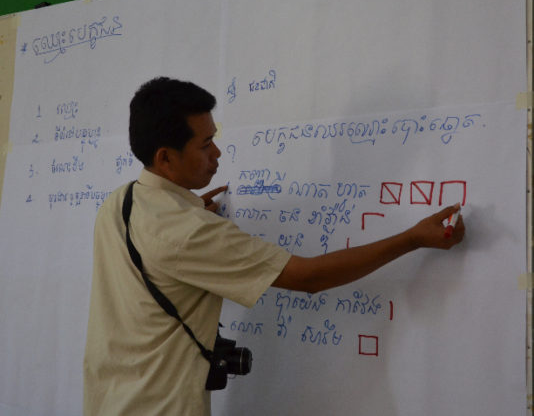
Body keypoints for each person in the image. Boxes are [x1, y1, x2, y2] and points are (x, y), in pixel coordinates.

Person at [83, 77, 464, 416]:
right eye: (206, 144)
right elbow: (309, 277)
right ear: (165, 157)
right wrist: (412, 238)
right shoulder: (190, 233)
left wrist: (189, 207)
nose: (217, 154)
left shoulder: (119, 203)